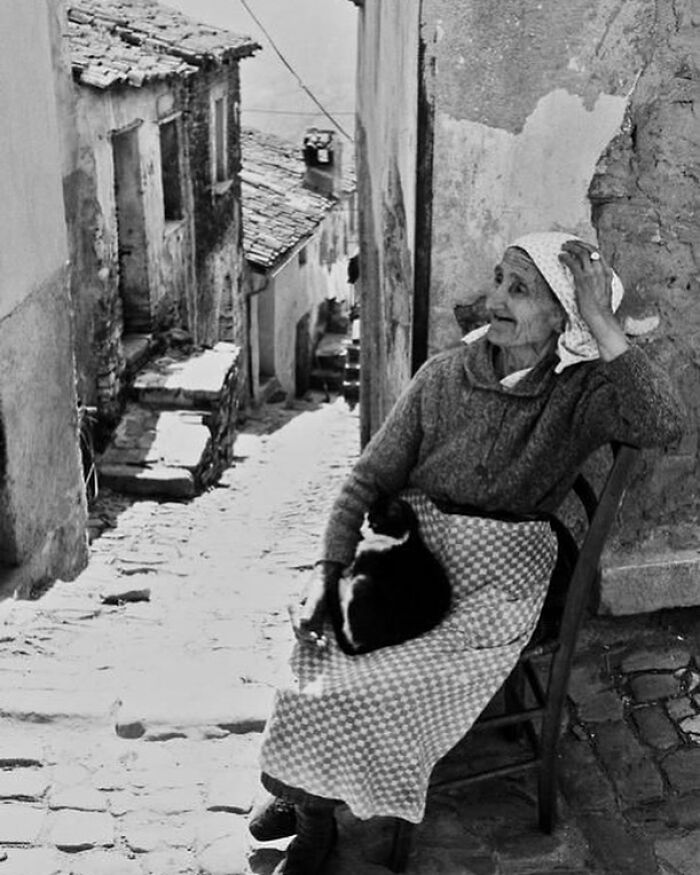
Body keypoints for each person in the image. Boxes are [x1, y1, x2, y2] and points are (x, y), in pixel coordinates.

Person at [249, 232, 685, 874]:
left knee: (398, 676)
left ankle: (313, 799)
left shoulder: (582, 393)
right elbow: (367, 481)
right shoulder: (445, 376)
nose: (495, 300)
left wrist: (602, 320)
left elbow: (665, 424)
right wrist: (329, 570)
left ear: (565, 318)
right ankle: (309, 799)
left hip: (499, 581)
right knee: (321, 642)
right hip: (412, 560)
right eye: (498, 281)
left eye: (519, 289)